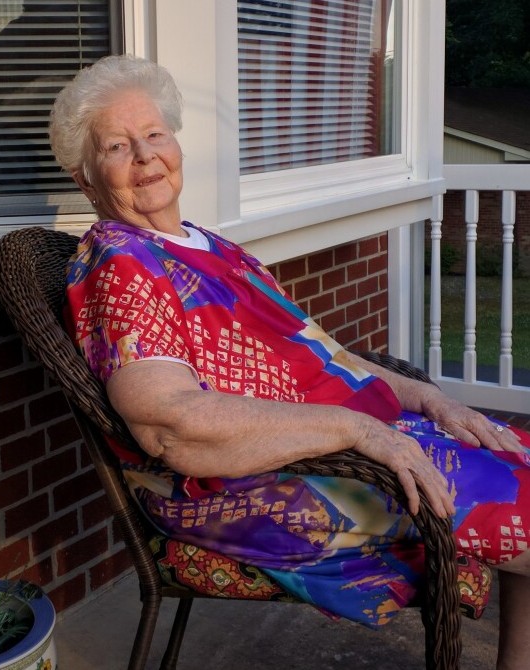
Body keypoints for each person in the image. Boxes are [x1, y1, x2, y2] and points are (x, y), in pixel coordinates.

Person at [50, 55, 530, 669]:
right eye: (117, 146)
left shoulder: (210, 246)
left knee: (516, 454)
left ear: (176, 144)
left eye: (154, 134)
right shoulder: (123, 265)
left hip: (340, 442)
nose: (145, 157)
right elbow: (168, 423)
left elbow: (329, 356)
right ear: (87, 177)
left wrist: (435, 402)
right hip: (259, 483)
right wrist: (358, 430)